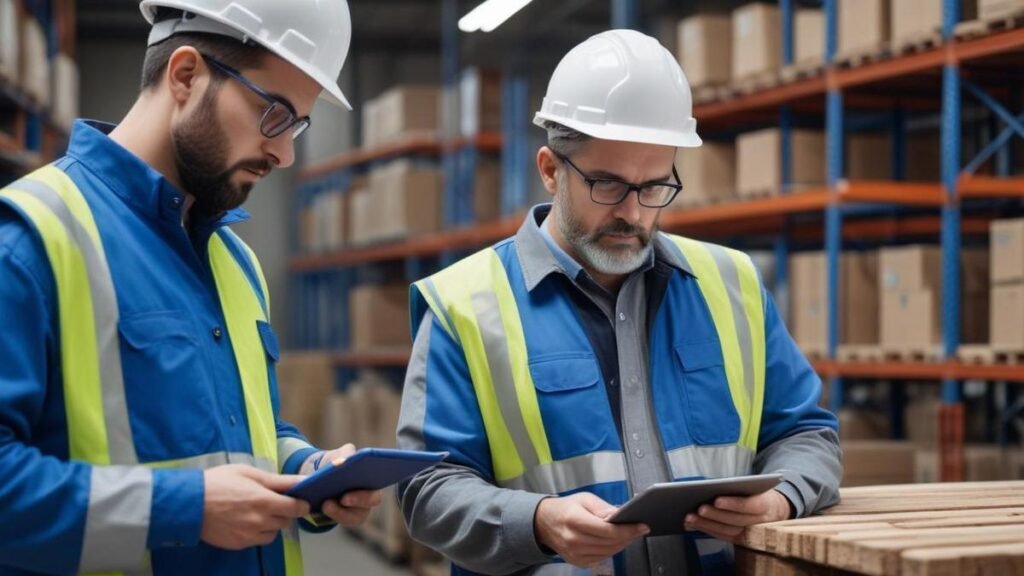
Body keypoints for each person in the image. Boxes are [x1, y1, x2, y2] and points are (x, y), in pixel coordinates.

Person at [396, 29, 841, 575]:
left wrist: (782, 498)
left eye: (654, 186)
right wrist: (537, 521)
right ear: (551, 169)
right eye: (607, 184)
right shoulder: (464, 304)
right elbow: (427, 490)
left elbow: (806, 433)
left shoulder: (732, 283)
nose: (633, 212)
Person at [0, 1, 381, 574]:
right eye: (274, 114)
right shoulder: (31, 240)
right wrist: (184, 508)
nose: (285, 153)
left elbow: (246, 430)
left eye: (297, 124)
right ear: (185, 75)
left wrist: (307, 469)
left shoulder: (235, 260)